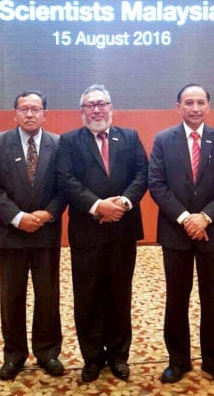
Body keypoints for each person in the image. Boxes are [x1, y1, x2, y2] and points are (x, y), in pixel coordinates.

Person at [148, 84, 214, 386]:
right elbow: (157, 184)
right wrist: (187, 218)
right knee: (177, 298)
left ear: (209, 106)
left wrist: (205, 217)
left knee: (212, 298)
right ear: (178, 107)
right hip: (176, 232)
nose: (195, 108)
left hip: (212, 232)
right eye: (189, 102)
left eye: (201, 102)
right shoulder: (163, 140)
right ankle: (178, 361)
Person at [56, 84, 148, 383]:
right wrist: (98, 206)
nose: (97, 109)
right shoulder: (69, 141)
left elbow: (142, 175)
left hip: (123, 228)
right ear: (81, 111)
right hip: (87, 232)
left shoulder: (130, 136)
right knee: (88, 297)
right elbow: (66, 180)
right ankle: (92, 357)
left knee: (120, 295)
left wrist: (122, 202)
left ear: (112, 107)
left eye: (102, 104)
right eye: (90, 105)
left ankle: (119, 356)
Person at [0, 91, 67, 381]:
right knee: (12, 296)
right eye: (24, 109)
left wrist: (47, 214)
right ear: (14, 113)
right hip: (11, 233)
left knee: (47, 295)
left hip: (46, 231)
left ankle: (47, 352)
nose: (30, 114)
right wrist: (18, 218)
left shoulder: (59, 144)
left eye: (36, 109)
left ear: (45, 113)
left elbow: (65, 186)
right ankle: (14, 354)